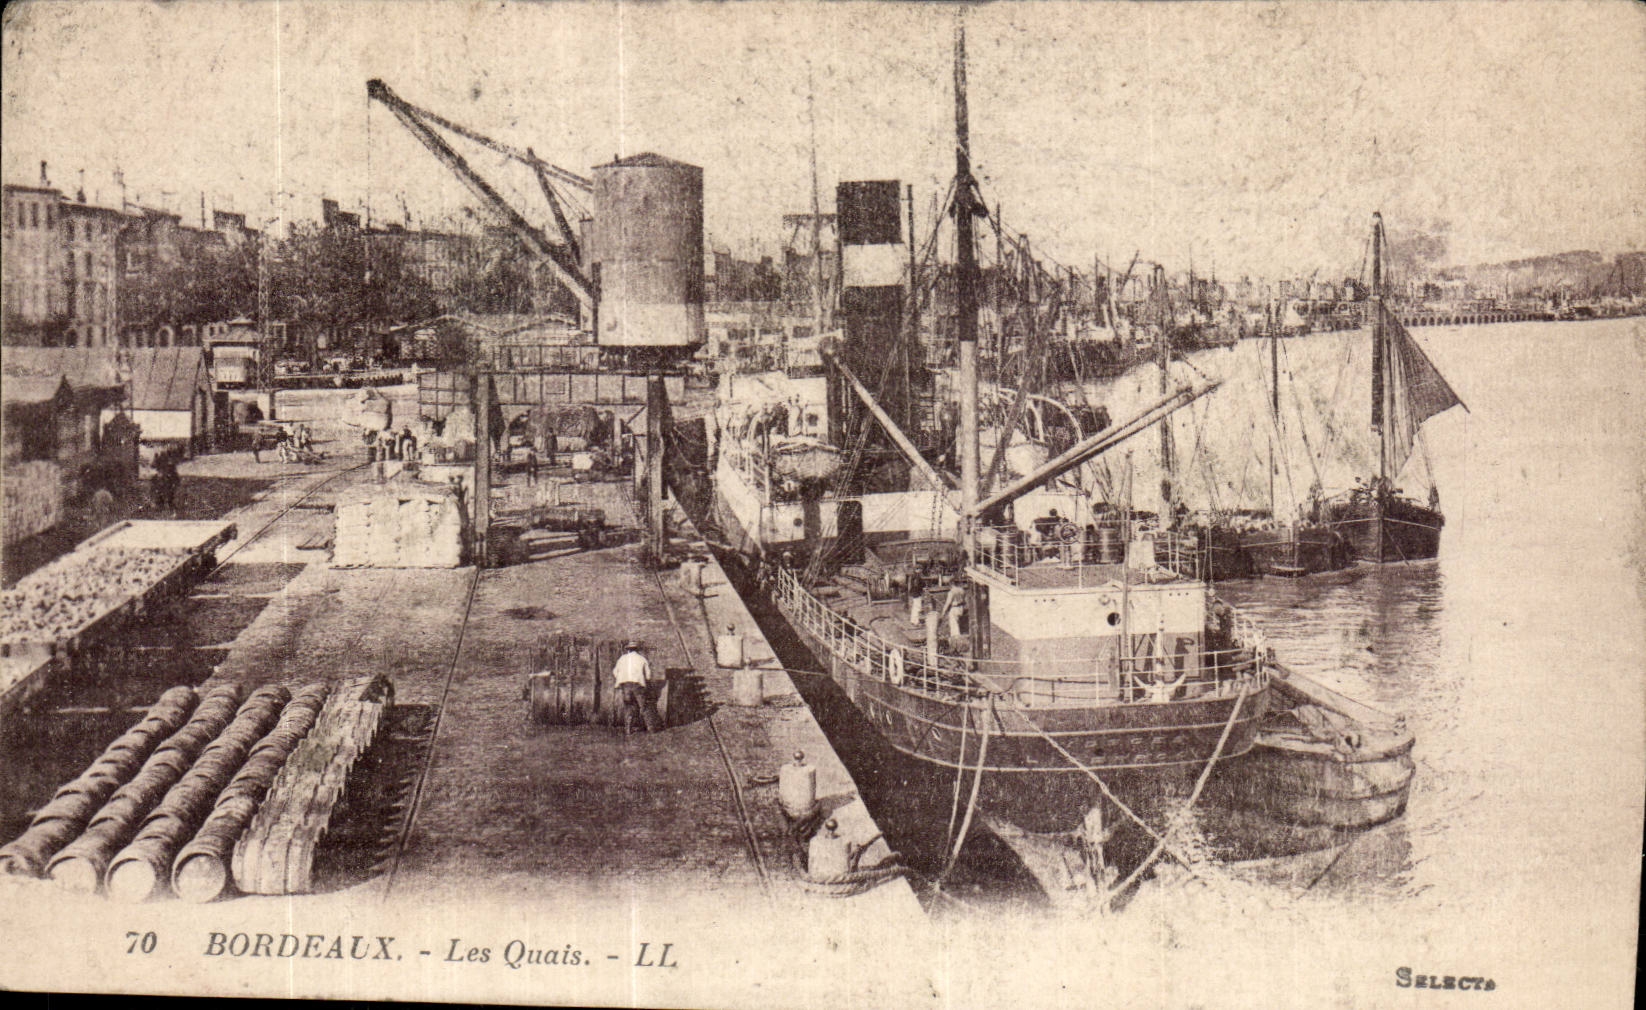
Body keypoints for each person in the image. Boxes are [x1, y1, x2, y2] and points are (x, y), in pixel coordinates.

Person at [612, 640, 662, 735]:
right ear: (637, 650)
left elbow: (615, 672)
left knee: (629, 706)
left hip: (625, 685)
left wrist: (622, 678)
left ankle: (628, 730)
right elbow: (648, 675)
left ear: (628, 650)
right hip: (637, 685)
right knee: (644, 706)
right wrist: (646, 681)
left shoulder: (622, 659)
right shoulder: (642, 659)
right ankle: (651, 729)